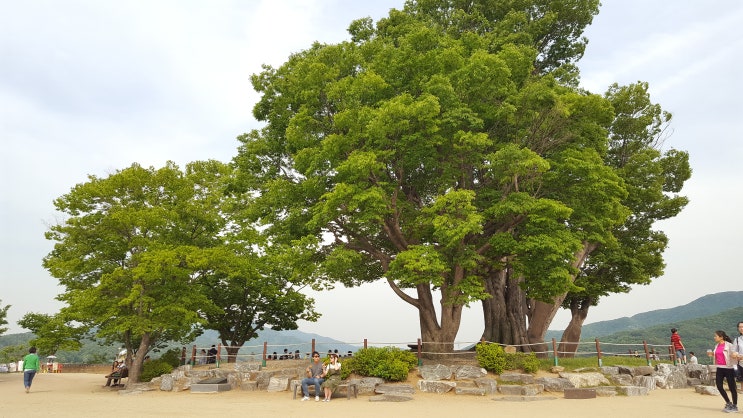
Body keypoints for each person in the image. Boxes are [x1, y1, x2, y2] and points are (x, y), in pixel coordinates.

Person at [708, 330, 738, 413]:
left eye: (715, 336)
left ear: (721, 337)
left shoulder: (729, 345)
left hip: (729, 368)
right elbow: (718, 355)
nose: (714, 337)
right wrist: (712, 354)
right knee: (719, 386)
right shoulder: (716, 345)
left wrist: (735, 355)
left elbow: (734, 354)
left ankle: (735, 405)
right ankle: (728, 402)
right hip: (719, 368)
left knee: (732, 388)